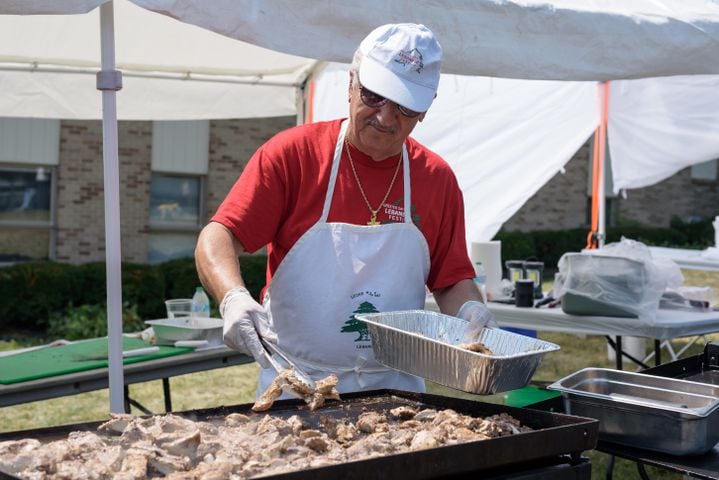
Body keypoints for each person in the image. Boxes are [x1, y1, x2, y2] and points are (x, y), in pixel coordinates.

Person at [195, 23, 495, 396]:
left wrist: (470, 315)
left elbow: (450, 279)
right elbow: (219, 234)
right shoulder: (294, 156)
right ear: (350, 84)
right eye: (374, 96)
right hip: (296, 383)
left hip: (395, 388)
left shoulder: (436, 178)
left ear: (426, 109)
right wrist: (232, 297)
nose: (386, 117)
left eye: (404, 106)